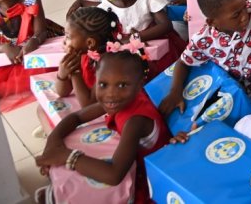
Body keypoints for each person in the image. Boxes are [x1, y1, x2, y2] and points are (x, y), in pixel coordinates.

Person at [35, 49, 169, 204]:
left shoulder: (135, 122)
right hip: (128, 163)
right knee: (72, 162)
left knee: (80, 169)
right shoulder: (118, 100)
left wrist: (66, 156)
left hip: (147, 179)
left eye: (122, 85)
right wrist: (53, 143)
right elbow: (76, 117)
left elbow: (114, 175)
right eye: (103, 84)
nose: (111, 93)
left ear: (139, 86)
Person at [56, 7, 124, 108]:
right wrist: (62, 74)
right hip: (88, 103)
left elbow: (88, 104)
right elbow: (62, 92)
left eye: (68, 37)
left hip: (111, 109)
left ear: (90, 43)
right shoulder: (84, 55)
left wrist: (75, 71)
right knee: (41, 110)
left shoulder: (108, 64)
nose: (64, 41)